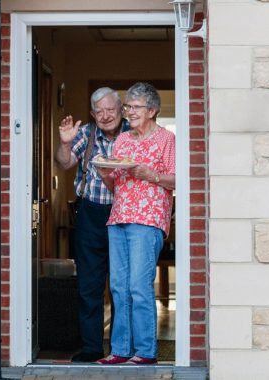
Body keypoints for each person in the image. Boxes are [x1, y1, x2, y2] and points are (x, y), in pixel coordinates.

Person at [94, 82, 175, 365]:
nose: (129, 112)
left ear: (152, 110)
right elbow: (116, 184)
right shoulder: (123, 140)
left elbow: (177, 179)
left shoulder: (167, 139)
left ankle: (145, 351)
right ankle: (120, 350)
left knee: (139, 287)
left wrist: (149, 174)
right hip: (119, 217)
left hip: (148, 218)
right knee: (118, 286)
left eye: (135, 107)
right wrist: (105, 172)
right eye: (127, 106)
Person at [54, 87, 129, 362]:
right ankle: (91, 347)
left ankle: (123, 349)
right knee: (89, 286)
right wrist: (64, 143)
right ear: (92, 113)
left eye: (111, 110)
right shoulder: (85, 133)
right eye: (100, 111)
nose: (106, 116)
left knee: (124, 286)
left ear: (121, 110)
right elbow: (64, 164)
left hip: (126, 214)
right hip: (91, 214)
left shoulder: (133, 133)